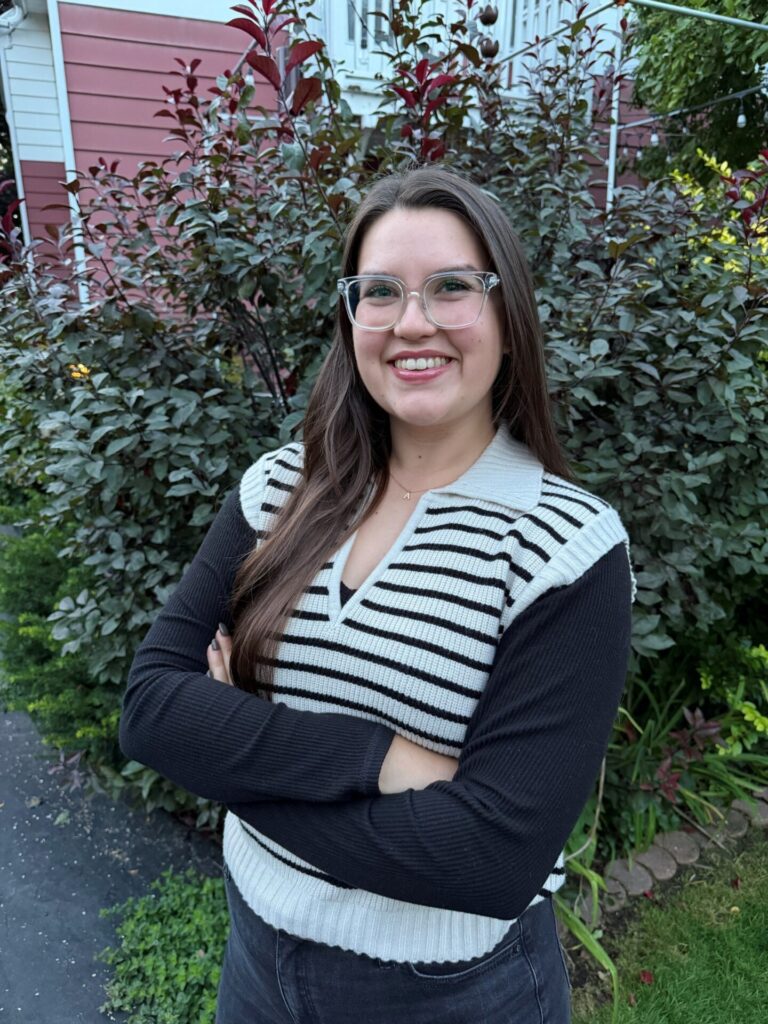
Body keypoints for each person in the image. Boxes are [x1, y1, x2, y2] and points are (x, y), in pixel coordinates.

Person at [120, 165, 635, 1024]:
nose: (412, 322)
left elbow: (490, 859)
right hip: (254, 960)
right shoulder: (279, 489)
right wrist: (384, 760)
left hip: (454, 995)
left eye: (452, 287)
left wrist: (228, 759)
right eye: (381, 292)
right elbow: (149, 709)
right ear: (351, 319)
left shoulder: (564, 548)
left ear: (508, 318)